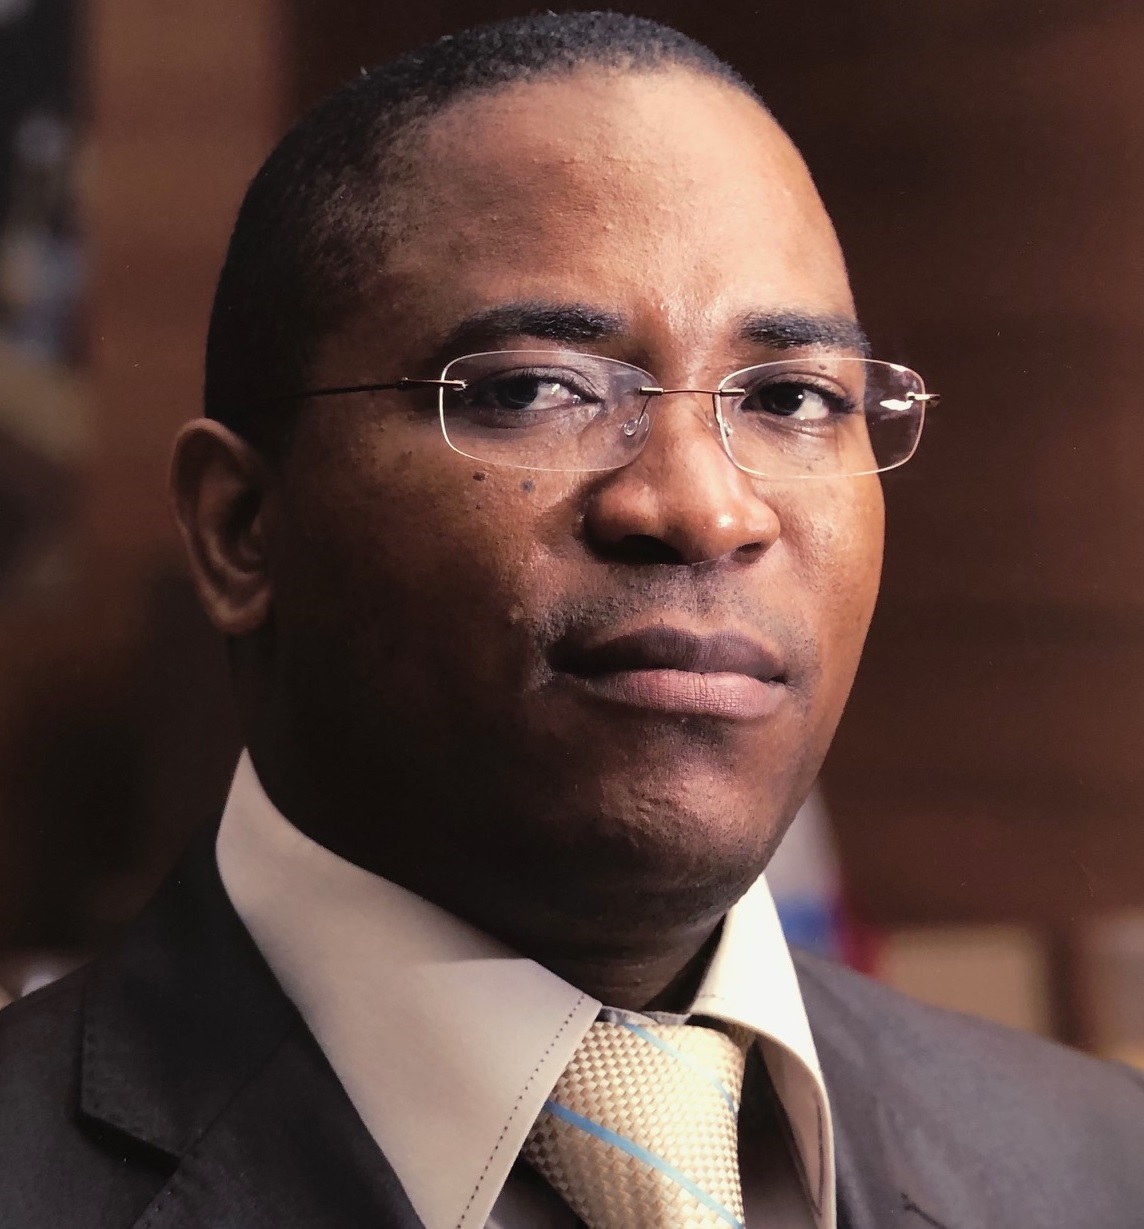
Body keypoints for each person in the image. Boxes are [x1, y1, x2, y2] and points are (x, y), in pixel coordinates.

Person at [1, 12, 1142, 1228]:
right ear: (240, 528)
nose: (704, 507)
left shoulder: (1103, 1161)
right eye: (534, 387)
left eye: (793, 397)